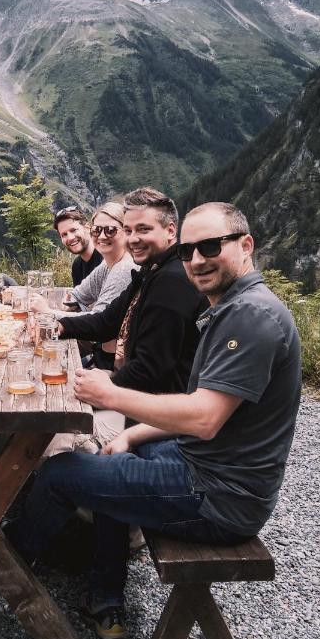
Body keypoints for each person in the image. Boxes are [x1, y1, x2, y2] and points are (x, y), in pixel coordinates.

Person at [9, 202, 301, 639]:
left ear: (246, 246)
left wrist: (110, 395)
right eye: (189, 251)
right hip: (209, 468)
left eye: (209, 247)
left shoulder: (251, 317)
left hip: (217, 497)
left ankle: (4, 563)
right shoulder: (232, 305)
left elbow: (203, 417)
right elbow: (199, 404)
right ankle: (104, 593)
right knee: (110, 457)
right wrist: (130, 432)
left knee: (58, 472)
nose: (197, 260)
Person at [51, 187, 207, 450]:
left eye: (143, 230)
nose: (133, 238)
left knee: (55, 435)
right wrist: (59, 325)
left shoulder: (171, 282)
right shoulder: (151, 272)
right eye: (130, 230)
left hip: (153, 415)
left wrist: (105, 384)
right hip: (136, 398)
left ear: (170, 231)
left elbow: (150, 372)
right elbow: (106, 321)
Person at [30, 201, 137, 370]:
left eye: (110, 230)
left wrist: (49, 313)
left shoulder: (125, 268)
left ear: (127, 231)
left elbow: (99, 322)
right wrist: (63, 310)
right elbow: (77, 295)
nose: (101, 236)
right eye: (97, 230)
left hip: (113, 365)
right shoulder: (108, 264)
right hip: (102, 352)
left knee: (44, 361)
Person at [53, 206, 102, 286]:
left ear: (87, 228)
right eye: (64, 235)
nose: (70, 238)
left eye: (74, 230)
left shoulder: (105, 258)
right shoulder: (77, 265)